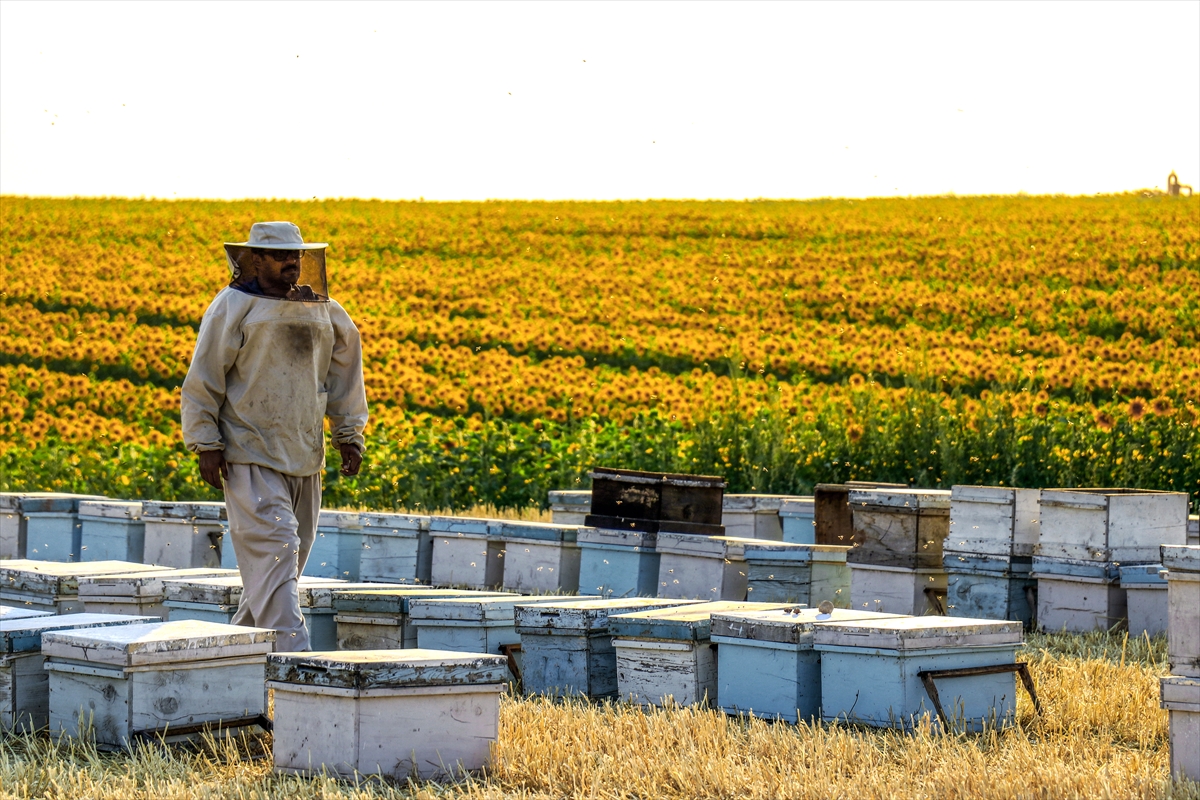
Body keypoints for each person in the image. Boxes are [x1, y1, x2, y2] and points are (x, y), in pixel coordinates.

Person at [181, 221, 368, 651]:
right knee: (278, 551)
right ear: (255, 259)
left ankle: (236, 657)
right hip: (248, 452)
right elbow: (203, 378)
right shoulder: (232, 306)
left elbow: (345, 376)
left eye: (296, 255)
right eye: (281, 255)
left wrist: (348, 435)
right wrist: (205, 442)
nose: (291, 263)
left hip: (305, 454)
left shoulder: (325, 310)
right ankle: (296, 666)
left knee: (278, 570)